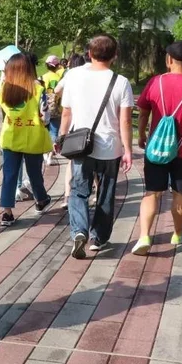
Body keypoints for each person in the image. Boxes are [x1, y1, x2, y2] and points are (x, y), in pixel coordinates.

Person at [58, 35, 134, 258]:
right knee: (106, 192)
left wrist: (61, 138)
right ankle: (98, 238)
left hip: (81, 145)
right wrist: (128, 149)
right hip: (110, 147)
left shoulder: (73, 75)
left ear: (89, 54)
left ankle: (79, 231)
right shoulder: (121, 82)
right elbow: (125, 121)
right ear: (115, 56)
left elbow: (67, 112)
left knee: (79, 191)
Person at [132, 41, 182, 256]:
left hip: (156, 149)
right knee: (180, 192)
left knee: (152, 192)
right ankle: (177, 234)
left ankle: (144, 236)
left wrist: (141, 135)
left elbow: (144, 111)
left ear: (168, 60)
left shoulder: (155, 82)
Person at [0, 53, 53, 226]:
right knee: (34, 172)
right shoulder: (38, 89)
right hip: (33, 138)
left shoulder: (4, 88)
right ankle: (41, 199)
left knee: (9, 175)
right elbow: (45, 118)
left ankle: (7, 213)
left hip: (11, 137)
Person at [55, 53, 87, 210]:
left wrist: (62, 136)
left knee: (71, 162)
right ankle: (97, 194)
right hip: (89, 126)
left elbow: (56, 90)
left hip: (73, 126)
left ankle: (67, 196)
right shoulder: (90, 76)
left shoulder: (70, 75)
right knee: (93, 164)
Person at [42, 55, 65, 145]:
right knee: (54, 132)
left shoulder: (42, 77)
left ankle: (44, 152)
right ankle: (51, 154)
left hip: (44, 108)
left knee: (44, 131)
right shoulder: (60, 78)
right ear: (58, 65)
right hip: (57, 108)